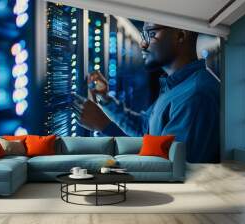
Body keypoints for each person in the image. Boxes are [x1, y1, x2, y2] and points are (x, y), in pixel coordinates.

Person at [73, 22, 220, 163]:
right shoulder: (177, 86)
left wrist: (103, 125)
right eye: (143, 35)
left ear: (180, 35)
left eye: (152, 33)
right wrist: (105, 99)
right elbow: (145, 127)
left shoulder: (195, 95)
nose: (143, 44)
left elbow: (169, 166)